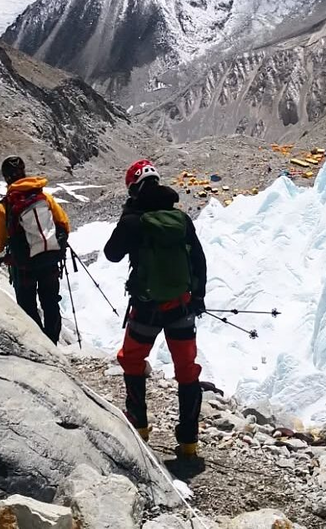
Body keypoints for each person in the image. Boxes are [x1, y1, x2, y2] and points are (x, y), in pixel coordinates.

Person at [104, 158, 207, 457]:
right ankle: (189, 441)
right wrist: (197, 297)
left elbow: (112, 254)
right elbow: (198, 260)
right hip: (181, 306)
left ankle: (139, 425)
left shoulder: (133, 220)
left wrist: (128, 218)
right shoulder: (181, 220)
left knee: (133, 360)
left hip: (146, 308)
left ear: (133, 189)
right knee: (187, 370)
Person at [0, 156, 70, 344]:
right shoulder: (44, 197)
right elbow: (64, 224)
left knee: (27, 306)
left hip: (24, 265)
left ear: (5, 178)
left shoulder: (4, 207)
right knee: (51, 302)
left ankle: (40, 346)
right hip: (50, 258)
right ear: (24, 172)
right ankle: (53, 343)